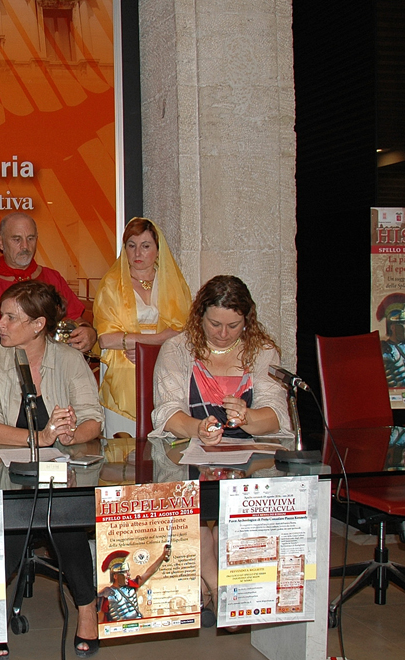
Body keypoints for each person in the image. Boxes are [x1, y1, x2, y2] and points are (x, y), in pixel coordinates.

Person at [0, 280, 103, 660]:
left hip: (62, 472)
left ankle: (87, 611)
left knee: (65, 518)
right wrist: (41, 438)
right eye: (2, 315)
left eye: (11, 317)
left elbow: (93, 419)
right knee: (14, 520)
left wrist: (72, 432)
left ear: (38, 324)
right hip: (5, 471)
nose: (0, 324)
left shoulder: (70, 360)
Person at [151, 275, 290, 620]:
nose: (223, 334)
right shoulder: (177, 349)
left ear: (247, 321)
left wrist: (247, 416)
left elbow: (276, 414)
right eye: (215, 324)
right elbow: (167, 412)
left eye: (233, 326)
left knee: (244, 501)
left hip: (250, 456)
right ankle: (219, 586)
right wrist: (198, 428)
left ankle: (213, 579)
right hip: (189, 451)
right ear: (199, 316)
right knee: (191, 497)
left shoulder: (263, 351)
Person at [94, 218, 192, 435]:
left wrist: (147, 350)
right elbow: (106, 339)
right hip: (123, 369)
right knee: (124, 443)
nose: (137, 253)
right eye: (131, 245)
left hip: (165, 367)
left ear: (158, 249)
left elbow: (186, 333)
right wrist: (159, 340)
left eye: (145, 246)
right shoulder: (112, 284)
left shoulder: (174, 284)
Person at [0, 212, 97, 353]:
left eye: (30, 238)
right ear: (0, 242)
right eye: (17, 239)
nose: (25, 246)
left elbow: (77, 320)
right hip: (2, 362)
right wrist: (24, 338)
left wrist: (88, 332)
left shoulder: (52, 278)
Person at [97, 548, 171, 623]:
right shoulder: (106, 594)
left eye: (128, 572)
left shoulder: (131, 586)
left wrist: (162, 557)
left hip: (138, 624)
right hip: (120, 628)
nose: (128, 575)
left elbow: (149, 573)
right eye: (125, 572)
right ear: (115, 576)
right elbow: (101, 619)